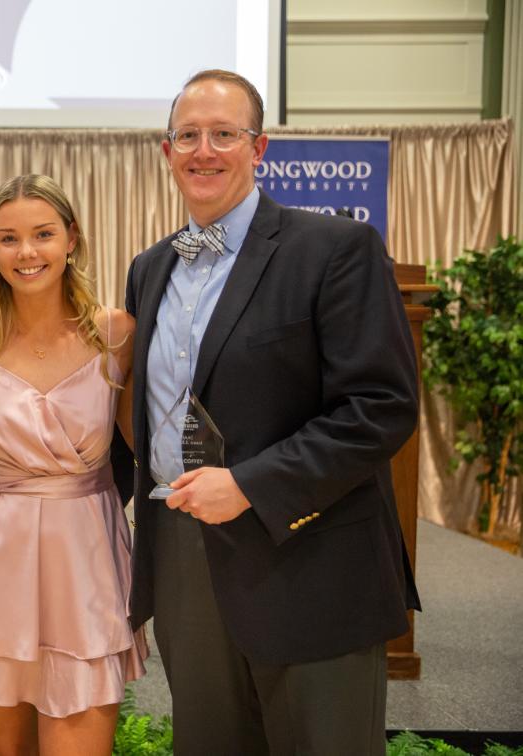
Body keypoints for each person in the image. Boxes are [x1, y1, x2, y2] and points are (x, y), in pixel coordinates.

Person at [124, 69, 421, 754]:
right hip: (183, 555)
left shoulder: (335, 250)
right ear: (166, 151)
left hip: (307, 561)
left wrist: (251, 486)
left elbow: (380, 408)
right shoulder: (150, 268)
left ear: (259, 150)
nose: (204, 149)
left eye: (224, 134)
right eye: (188, 135)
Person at [0, 174, 146, 756]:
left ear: (72, 239)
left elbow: (151, 446)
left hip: (86, 558)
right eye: (9, 238)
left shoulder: (116, 333)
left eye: (43, 235)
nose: (27, 253)